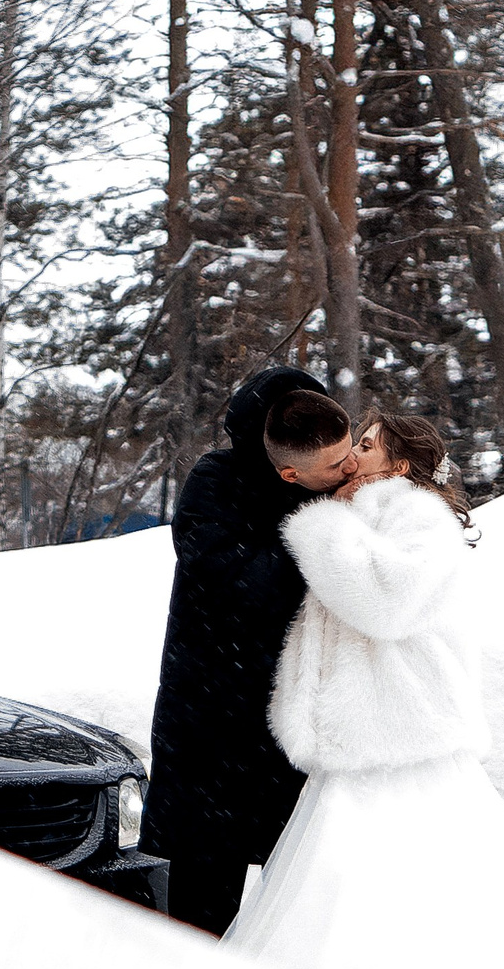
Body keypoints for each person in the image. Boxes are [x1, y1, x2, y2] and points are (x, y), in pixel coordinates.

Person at [223, 413, 504, 969]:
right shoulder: (370, 516)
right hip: (367, 739)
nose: (351, 455)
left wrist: (323, 526)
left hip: (401, 740)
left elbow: (385, 604)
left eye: (366, 446)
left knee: (399, 890)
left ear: (395, 466)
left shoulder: (419, 519)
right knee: (344, 888)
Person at [141, 369, 358, 934]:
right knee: (201, 904)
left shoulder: (328, 467)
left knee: (301, 896)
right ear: (290, 472)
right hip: (212, 720)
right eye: (335, 466)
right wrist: (324, 526)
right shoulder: (215, 483)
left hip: (295, 719)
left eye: (350, 453)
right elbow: (243, 585)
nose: (350, 469)